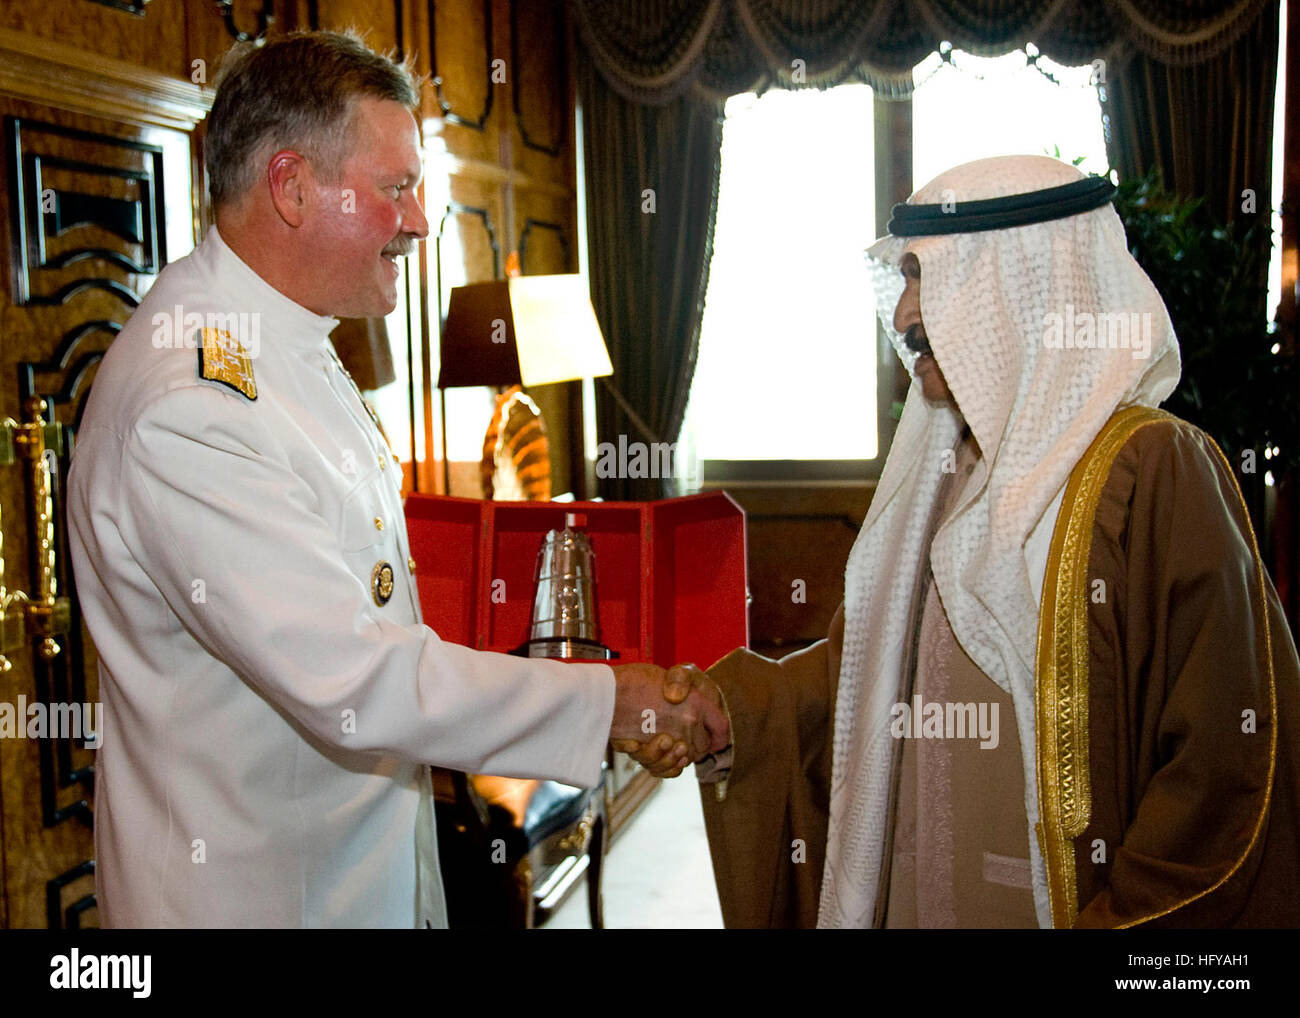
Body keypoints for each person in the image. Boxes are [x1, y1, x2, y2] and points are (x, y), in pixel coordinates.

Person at [66, 31, 728, 929]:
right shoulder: (191, 399)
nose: (420, 221)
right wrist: (616, 703)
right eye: (397, 188)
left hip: (352, 875)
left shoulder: (284, 337)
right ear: (293, 187)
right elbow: (355, 679)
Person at [619, 154, 1300, 929]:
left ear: (1021, 286)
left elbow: (1227, 766)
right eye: (904, 277)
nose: (906, 314)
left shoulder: (1155, 469)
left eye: (928, 277)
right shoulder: (943, 468)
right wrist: (726, 708)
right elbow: (866, 681)